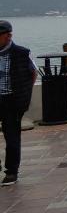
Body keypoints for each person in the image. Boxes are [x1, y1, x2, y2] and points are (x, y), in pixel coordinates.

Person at [0, 21, 36, 186]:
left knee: (12, 137)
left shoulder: (21, 53)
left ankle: (11, 172)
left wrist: (24, 94)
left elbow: (33, 73)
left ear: (8, 36)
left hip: (12, 101)